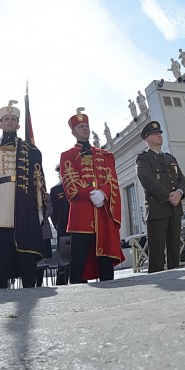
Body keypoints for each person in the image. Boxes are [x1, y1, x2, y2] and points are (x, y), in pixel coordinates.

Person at [0, 100, 47, 289]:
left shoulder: (29, 149)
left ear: (18, 124)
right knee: (0, 250)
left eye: (13, 119)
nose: (10, 122)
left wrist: (39, 207)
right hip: (0, 199)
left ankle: (28, 286)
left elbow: (38, 179)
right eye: (6, 119)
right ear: (0, 124)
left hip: (24, 201)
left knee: (26, 251)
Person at [60, 108, 124, 283]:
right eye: (80, 126)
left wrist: (103, 193)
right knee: (79, 257)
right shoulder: (67, 155)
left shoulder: (105, 155)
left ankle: (108, 286)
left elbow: (112, 179)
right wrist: (90, 193)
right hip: (81, 213)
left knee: (105, 257)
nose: (85, 129)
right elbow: (69, 181)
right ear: (73, 132)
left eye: (86, 126)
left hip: (102, 211)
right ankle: (76, 291)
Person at [136, 121, 185, 273]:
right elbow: (146, 178)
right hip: (157, 209)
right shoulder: (143, 158)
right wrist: (168, 196)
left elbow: (181, 178)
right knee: (157, 255)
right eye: (154, 133)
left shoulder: (170, 158)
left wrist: (179, 193)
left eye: (160, 133)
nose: (159, 135)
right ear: (147, 139)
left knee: (174, 252)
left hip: (174, 208)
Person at [48, 165, 70, 285]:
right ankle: (62, 282)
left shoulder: (76, 186)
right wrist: (57, 225)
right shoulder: (55, 190)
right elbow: (52, 212)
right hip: (62, 227)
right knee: (63, 258)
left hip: (77, 227)